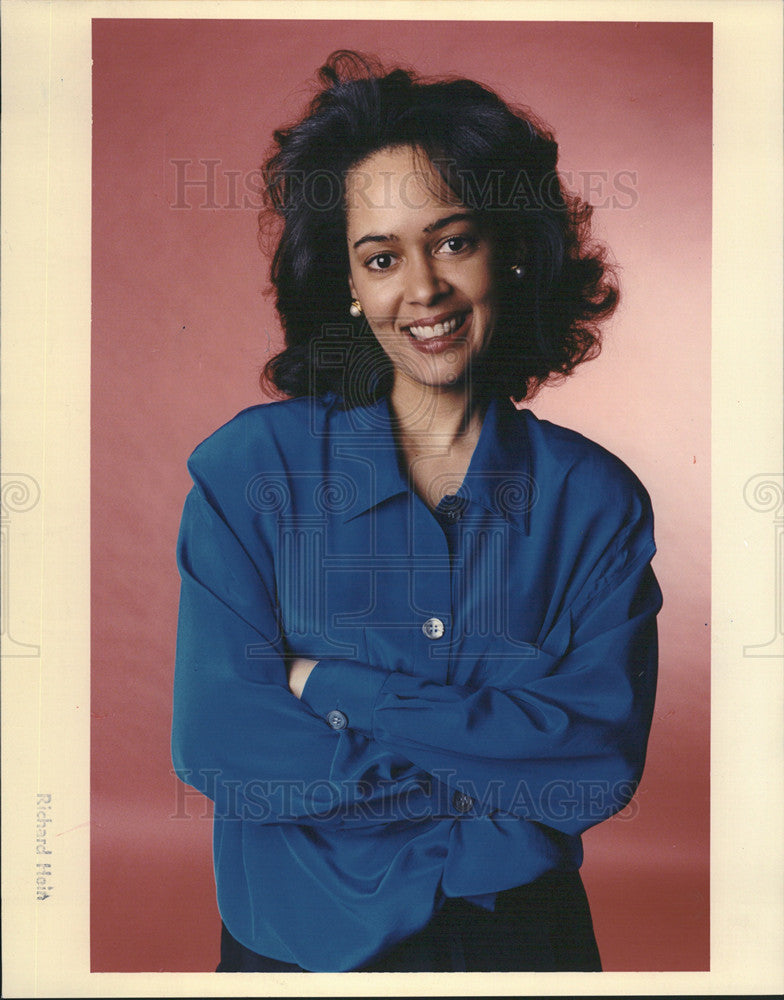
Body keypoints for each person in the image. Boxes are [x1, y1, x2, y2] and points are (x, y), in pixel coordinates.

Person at [171, 50, 662, 973]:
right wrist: (485, 775)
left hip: (521, 935)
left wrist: (331, 688)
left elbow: (594, 765)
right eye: (382, 258)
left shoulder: (594, 500)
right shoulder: (253, 469)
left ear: (510, 250)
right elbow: (222, 743)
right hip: (301, 935)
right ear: (349, 290)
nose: (423, 289)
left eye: (452, 240)